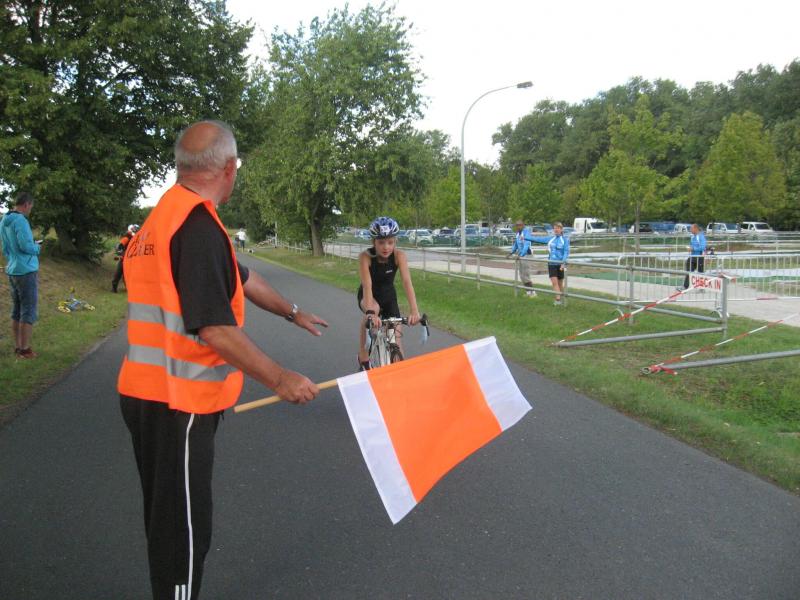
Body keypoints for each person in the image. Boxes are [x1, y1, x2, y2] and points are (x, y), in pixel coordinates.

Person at [117, 120, 328, 600]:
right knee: (183, 532)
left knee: (167, 518)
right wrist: (280, 378)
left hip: (144, 393)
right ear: (230, 168)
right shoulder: (197, 226)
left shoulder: (164, 217)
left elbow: (241, 277)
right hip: (179, 401)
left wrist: (293, 312)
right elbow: (213, 328)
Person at [356, 216, 420, 370]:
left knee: (396, 337)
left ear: (395, 241)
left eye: (390, 242)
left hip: (388, 296)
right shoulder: (365, 257)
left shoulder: (399, 256)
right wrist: (370, 313)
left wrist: (414, 311)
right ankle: (363, 355)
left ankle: (399, 373)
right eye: (381, 242)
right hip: (369, 295)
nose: (386, 247)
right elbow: (367, 285)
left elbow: (407, 282)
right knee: (373, 311)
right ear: (374, 242)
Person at [0, 192, 42, 359]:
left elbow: (5, 247)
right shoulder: (21, 220)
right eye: (31, 206)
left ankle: (18, 347)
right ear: (26, 204)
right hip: (26, 270)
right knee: (28, 310)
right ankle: (25, 349)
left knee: (17, 310)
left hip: (13, 269)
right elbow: (25, 246)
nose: (30, 209)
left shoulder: (4, 220)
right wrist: (37, 248)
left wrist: (12, 259)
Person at [530, 222, 570, 305]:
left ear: (561, 229)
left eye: (558, 228)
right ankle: (558, 300)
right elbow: (538, 239)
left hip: (560, 264)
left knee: (560, 284)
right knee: (554, 282)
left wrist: (563, 263)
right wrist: (526, 238)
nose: (556, 229)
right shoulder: (551, 239)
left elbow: (566, 252)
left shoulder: (564, 240)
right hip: (551, 264)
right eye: (555, 228)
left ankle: (562, 299)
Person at [508, 219, 537, 297]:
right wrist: (511, 252)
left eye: (520, 225)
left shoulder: (526, 233)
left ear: (523, 225)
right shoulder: (518, 234)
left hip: (527, 255)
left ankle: (533, 293)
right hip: (521, 256)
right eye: (517, 225)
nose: (518, 227)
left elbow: (526, 245)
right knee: (522, 275)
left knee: (526, 275)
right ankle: (528, 292)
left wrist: (521, 255)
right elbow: (516, 245)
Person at [111, 224, 139, 293]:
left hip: (131, 260)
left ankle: (130, 289)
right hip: (124, 259)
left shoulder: (135, 238)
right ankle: (114, 288)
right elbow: (119, 247)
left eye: (136, 229)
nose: (135, 230)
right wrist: (121, 254)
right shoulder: (127, 237)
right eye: (134, 229)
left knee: (128, 275)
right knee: (118, 274)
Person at [679, 223, 706, 290]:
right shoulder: (692, 237)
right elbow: (691, 246)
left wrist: (693, 249)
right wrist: (689, 248)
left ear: (696, 229)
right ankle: (685, 286)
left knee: (700, 272)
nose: (690, 230)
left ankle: (702, 288)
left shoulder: (701, 237)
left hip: (700, 257)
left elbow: (703, 247)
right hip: (692, 257)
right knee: (688, 271)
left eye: (691, 228)